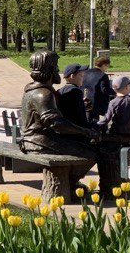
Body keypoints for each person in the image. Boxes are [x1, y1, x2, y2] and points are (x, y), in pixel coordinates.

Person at [17, 50, 98, 183]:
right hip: (39, 142)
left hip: (33, 139)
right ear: (49, 69)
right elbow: (56, 123)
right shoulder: (42, 93)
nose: (58, 69)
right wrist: (86, 131)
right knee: (90, 152)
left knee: (81, 144)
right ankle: (69, 183)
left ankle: (68, 181)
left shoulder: (36, 90)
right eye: (56, 66)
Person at [96, 75, 130, 188]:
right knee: (125, 149)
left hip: (117, 133)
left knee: (105, 143)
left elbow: (106, 119)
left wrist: (95, 126)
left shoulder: (113, 102)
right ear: (126, 88)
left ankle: (116, 174)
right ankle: (125, 172)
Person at [57, 63, 91, 128]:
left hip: (64, 128)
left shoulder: (60, 90)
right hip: (75, 130)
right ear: (72, 76)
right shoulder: (76, 91)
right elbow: (80, 117)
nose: (83, 79)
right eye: (81, 76)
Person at [81, 55, 114, 120]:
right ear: (104, 65)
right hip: (96, 101)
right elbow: (104, 90)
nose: (107, 68)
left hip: (85, 98)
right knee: (95, 120)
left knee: (87, 118)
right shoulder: (103, 75)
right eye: (107, 66)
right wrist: (114, 91)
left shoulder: (87, 72)